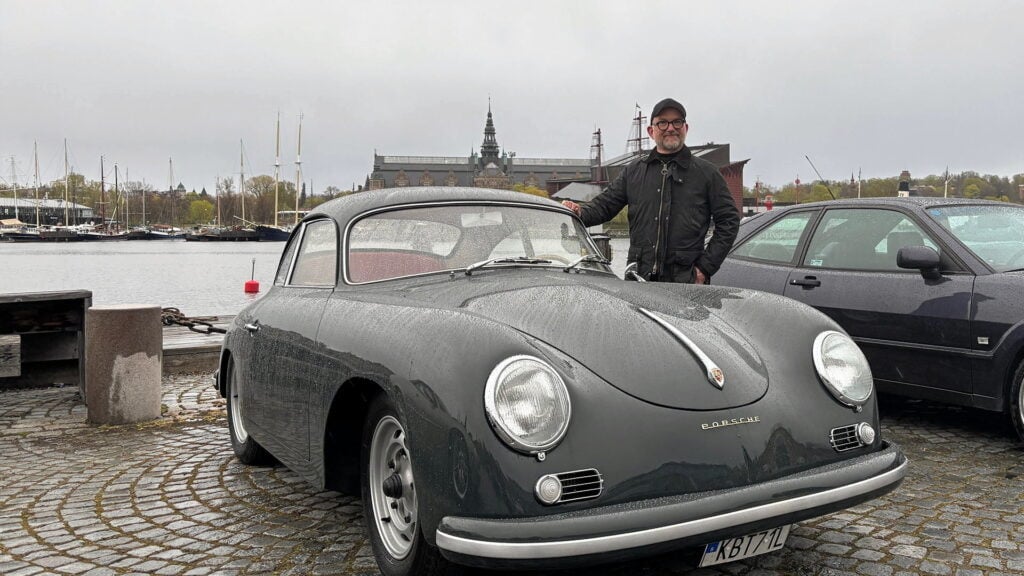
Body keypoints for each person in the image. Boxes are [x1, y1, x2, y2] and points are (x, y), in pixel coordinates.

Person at [562, 98, 740, 284]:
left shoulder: (707, 174)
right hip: (639, 279)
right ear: (651, 131)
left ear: (686, 128)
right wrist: (580, 211)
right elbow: (604, 206)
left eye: (677, 122)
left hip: (685, 282)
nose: (670, 128)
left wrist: (704, 268)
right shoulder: (634, 172)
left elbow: (729, 221)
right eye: (662, 123)